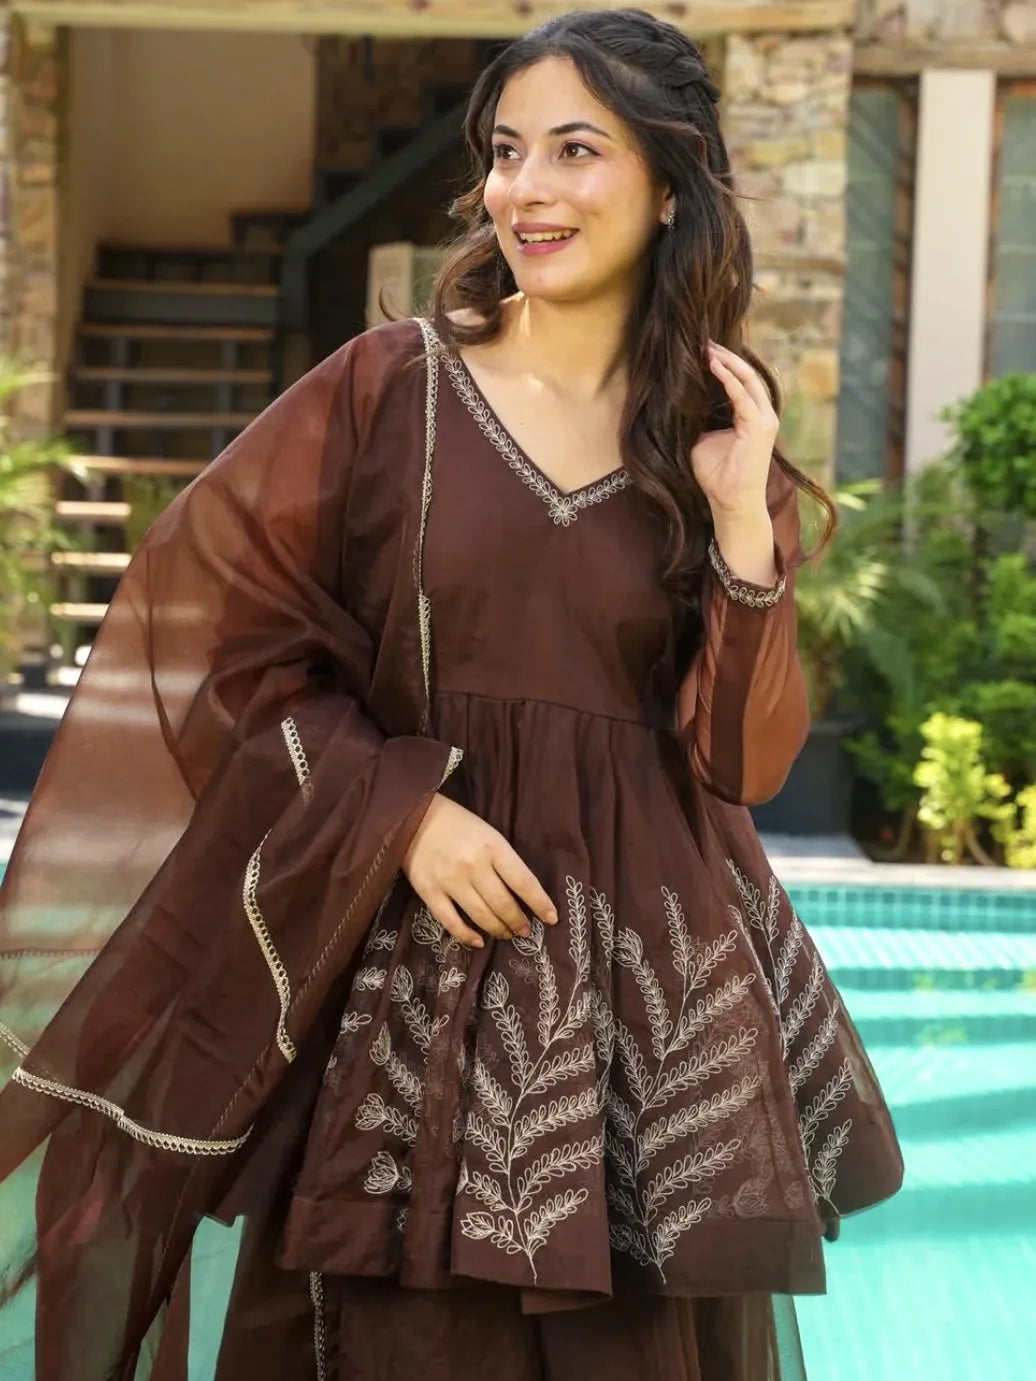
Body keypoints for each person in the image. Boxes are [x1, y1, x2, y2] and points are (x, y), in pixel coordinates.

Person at [0, 9, 903, 1379]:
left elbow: (745, 761)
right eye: (505, 152)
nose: (524, 189)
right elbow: (223, 639)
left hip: (645, 1033)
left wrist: (740, 536)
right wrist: (399, 811)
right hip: (411, 997)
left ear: (671, 186)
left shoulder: (717, 442)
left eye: (574, 150)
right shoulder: (391, 393)